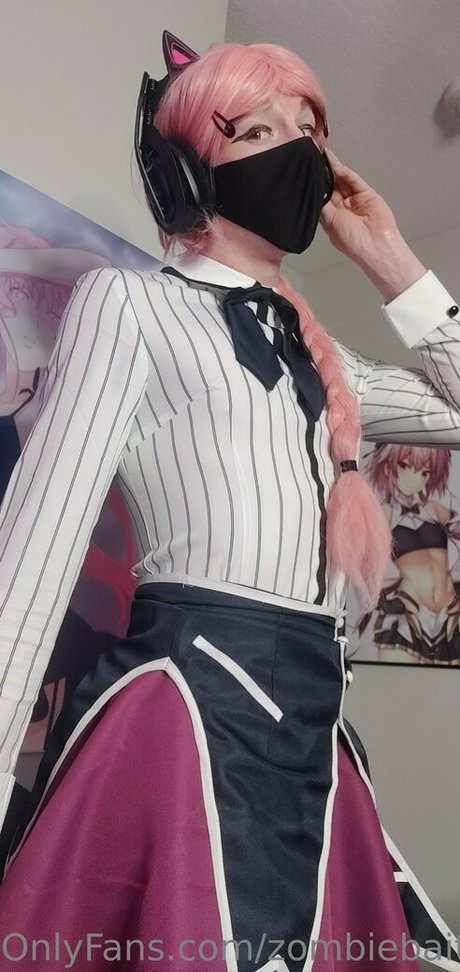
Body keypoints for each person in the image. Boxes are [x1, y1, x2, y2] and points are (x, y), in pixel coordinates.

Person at [0, 31, 459, 972]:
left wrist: (391, 260)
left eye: (311, 131)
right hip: (184, 711)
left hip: (314, 725)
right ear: (187, 171)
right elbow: (34, 558)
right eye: (258, 131)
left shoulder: (330, 363)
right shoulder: (128, 304)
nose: (299, 151)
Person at [361, 443, 460, 665]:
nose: (413, 478)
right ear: (388, 466)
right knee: (396, 683)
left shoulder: (434, 509)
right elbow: (366, 564)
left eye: (425, 472)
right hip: (408, 615)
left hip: (450, 616)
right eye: (405, 466)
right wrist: (385, 600)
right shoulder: (384, 513)